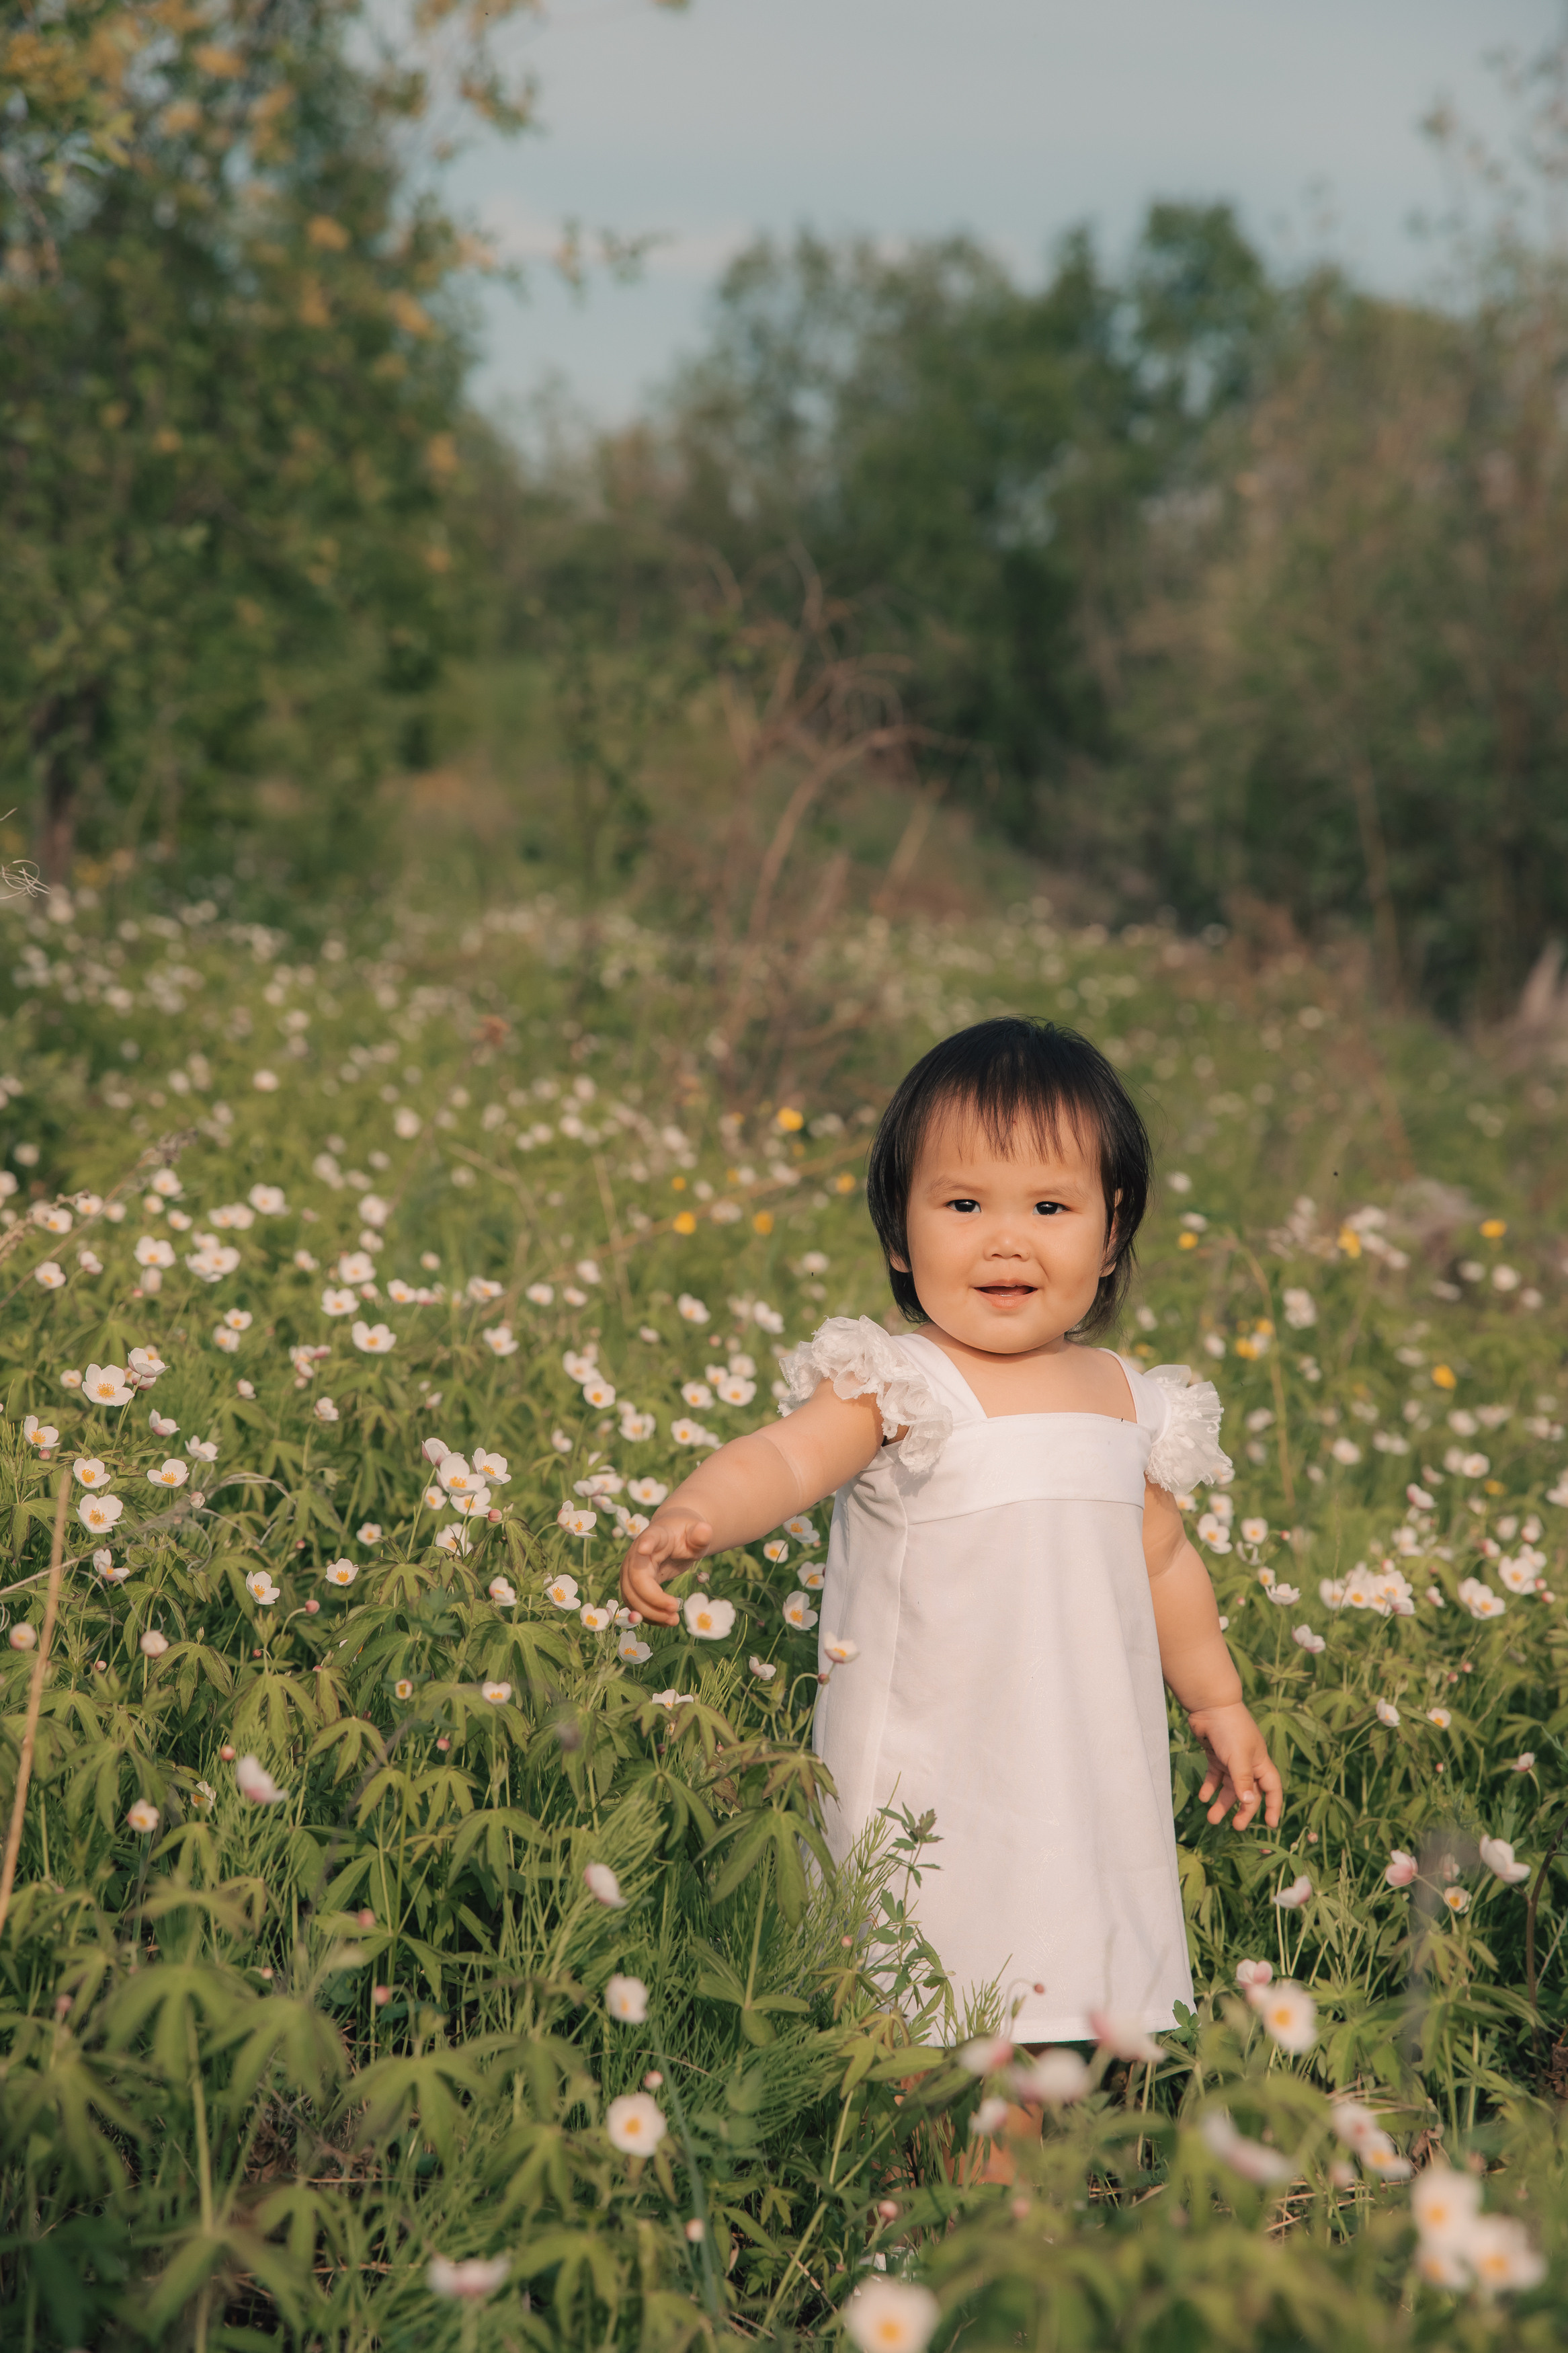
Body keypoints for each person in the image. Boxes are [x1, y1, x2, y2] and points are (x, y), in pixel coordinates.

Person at [619, 1016, 1282, 2042]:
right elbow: (786, 1458)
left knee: (1064, 1977)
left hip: (1080, 1764)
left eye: (1050, 1207)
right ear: (899, 1231)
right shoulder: (903, 1382)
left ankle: (1025, 2146)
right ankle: (944, 2163)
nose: (1005, 1238)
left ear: (1109, 1236)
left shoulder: (1129, 1402)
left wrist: (1217, 1699)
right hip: (932, 1769)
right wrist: (697, 1513)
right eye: (963, 1203)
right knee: (926, 1987)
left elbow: (1161, 1557)